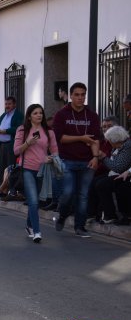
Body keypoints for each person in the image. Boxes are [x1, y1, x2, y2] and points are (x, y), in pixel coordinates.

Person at [53, 82, 101, 238]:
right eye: (77, 95)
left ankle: (80, 227)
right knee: (68, 193)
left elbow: (95, 140)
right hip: (67, 160)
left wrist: (95, 158)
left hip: (87, 161)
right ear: (71, 96)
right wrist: (81, 137)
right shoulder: (62, 114)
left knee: (83, 195)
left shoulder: (92, 116)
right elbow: (60, 138)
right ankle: (62, 215)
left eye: (83, 95)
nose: (80, 98)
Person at [13, 104, 59, 243]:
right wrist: (28, 142)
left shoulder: (49, 131)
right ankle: (37, 231)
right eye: (35, 113)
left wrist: (52, 158)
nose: (39, 115)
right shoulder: (22, 130)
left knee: (37, 201)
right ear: (29, 116)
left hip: (43, 170)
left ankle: (29, 225)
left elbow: (55, 150)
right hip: (27, 168)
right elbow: (16, 151)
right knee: (33, 201)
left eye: (41, 113)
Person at [94, 126, 131, 225]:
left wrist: (103, 157)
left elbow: (118, 167)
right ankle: (100, 213)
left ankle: (112, 215)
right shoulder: (118, 147)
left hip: (124, 174)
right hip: (119, 173)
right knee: (97, 182)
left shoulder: (127, 146)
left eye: (109, 140)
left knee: (104, 184)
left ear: (114, 140)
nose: (108, 142)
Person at [0, 96, 24, 174]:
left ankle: (11, 185)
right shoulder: (3, 115)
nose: (7, 106)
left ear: (14, 104)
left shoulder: (19, 115)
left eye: (9, 104)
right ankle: (3, 185)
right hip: (2, 145)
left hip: (11, 145)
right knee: (2, 166)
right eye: (6, 104)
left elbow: (19, 128)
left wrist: (5, 131)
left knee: (10, 166)